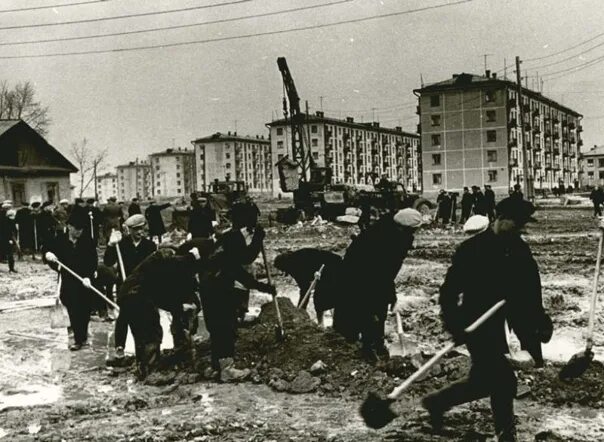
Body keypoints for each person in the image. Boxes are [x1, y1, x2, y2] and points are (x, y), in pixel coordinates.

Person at [421, 197, 551, 441]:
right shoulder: (472, 250)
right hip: (474, 323)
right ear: (500, 218)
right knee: (503, 380)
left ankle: (438, 402)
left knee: (484, 380)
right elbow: (449, 292)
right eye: (518, 223)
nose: (522, 229)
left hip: (499, 319)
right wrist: (455, 325)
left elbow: (530, 288)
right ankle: (506, 435)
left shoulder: (518, 247)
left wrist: (539, 322)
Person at [333, 208, 423, 363]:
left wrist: (389, 293)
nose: (415, 233)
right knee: (367, 312)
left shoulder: (383, 229)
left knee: (371, 312)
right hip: (359, 277)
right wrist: (389, 294)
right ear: (406, 228)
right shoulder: (392, 241)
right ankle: (364, 350)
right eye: (414, 230)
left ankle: (372, 345)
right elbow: (383, 272)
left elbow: (386, 273)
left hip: (363, 275)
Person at [104, 214, 157, 362]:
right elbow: (108, 261)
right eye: (136, 229)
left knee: (143, 317)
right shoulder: (122, 245)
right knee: (124, 316)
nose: (139, 232)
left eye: (142, 229)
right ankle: (119, 347)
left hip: (143, 287)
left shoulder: (149, 246)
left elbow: (155, 268)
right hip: (124, 286)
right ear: (130, 230)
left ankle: (142, 348)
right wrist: (110, 244)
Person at [43, 211, 98, 351]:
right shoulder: (60, 240)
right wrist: (50, 258)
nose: (80, 232)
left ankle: (82, 336)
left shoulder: (88, 241)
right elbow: (48, 254)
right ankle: (78, 339)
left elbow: (93, 260)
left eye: (81, 229)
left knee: (85, 309)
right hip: (68, 280)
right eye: (77, 229)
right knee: (73, 307)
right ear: (69, 227)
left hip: (84, 280)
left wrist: (89, 276)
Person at [274, 248, 342, 327]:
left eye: (282, 269)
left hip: (331, 265)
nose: (282, 272)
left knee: (321, 297)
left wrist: (301, 310)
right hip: (326, 268)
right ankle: (325, 323)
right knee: (322, 298)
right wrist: (301, 310)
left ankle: (324, 324)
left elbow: (305, 288)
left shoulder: (296, 263)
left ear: (284, 265)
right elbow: (305, 287)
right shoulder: (293, 262)